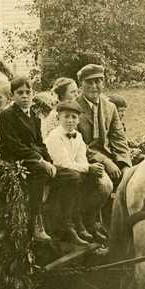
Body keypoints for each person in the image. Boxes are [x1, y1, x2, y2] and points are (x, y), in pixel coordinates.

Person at [45, 101, 112, 244]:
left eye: (74, 117)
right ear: (58, 118)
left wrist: (91, 167)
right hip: (56, 173)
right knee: (75, 177)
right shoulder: (54, 136)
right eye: (66, 117)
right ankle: (68, 225)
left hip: (72, 172)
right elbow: (62, 163)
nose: (70, 121)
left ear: (78, 119)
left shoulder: (78, 136)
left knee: (92, 177)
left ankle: (86, 222)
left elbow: (81, 160)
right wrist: (88, 168)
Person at [0, 76, 55, 242]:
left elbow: (40, 142)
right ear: (12, 95)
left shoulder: (34, 115)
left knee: (57, 172)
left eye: (27, 92)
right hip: (14, 159)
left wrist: (49, 160)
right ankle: (35, 222)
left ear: (32, 93)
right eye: (19, 93)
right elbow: (13, 144)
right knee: (40, 172)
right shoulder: (7, 115)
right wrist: (40, 160)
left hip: (31, 156)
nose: (24, 96)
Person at [74, 64, 131, 184]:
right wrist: (105, 161)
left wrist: (125, 164)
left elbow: (119, 139)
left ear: (103, 83)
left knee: (137, 178)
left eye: (97, 82)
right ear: (81, 85)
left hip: (110, 157)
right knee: (105, 185)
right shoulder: (73, 108)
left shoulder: (110, 107)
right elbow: (77, 144)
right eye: (89, 82)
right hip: (85, 160)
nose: (94, 86)